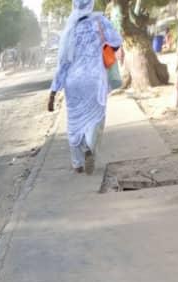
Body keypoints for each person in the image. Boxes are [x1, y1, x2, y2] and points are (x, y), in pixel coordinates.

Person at [48, 0, 122, 174]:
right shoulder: (100, 21)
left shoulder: (69, 28)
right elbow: (116, 42)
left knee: (74, 123)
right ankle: (89, 145)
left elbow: (63, 63)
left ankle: (77, 164)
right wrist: (103, 44)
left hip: (73, 83)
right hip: (95, 80)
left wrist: (53, 92)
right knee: (95, 119)